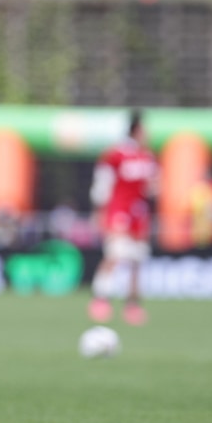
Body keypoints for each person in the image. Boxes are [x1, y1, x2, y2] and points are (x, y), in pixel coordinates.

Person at [87, 109, 159, 325]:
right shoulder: (116, 155)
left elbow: (153, 187)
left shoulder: (147, 156)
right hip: (118, 212)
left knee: (136, 260)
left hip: (140, 216)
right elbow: (102, 184)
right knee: (115, 255)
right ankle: (100, 299)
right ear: (136, 129)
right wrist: (99, 212)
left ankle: (132, 305)